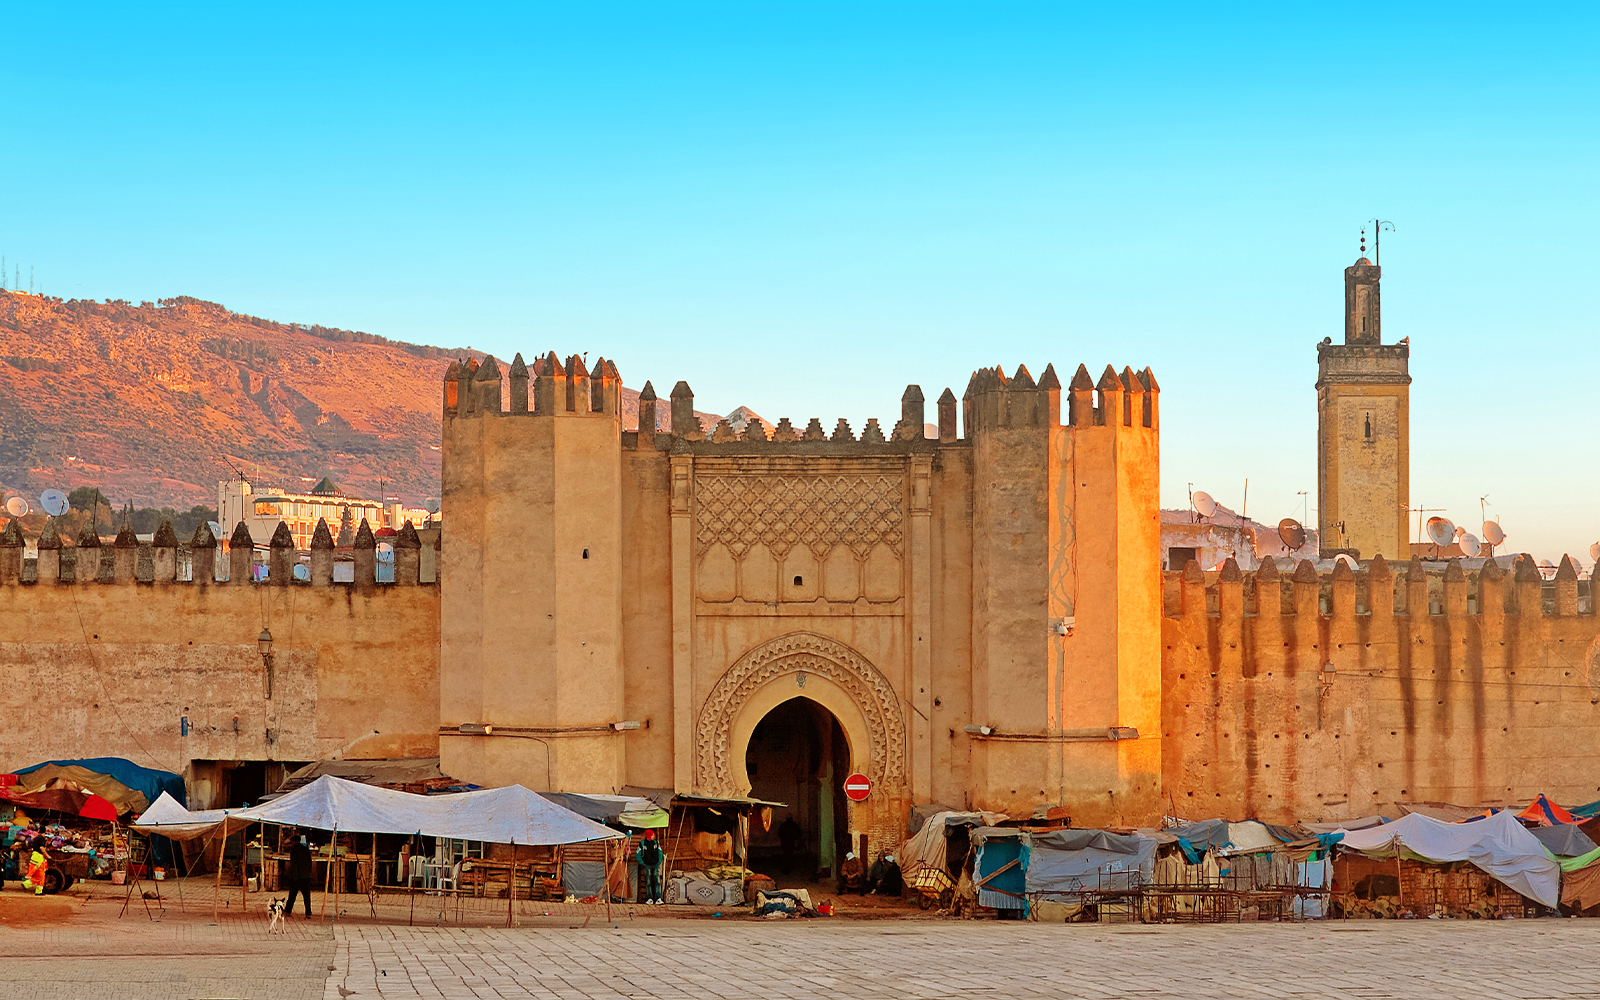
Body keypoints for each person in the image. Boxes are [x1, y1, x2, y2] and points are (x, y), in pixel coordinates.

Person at [285, 834, 315, 917]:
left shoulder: (294, 850)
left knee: (292, 895)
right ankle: (308, 912)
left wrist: (294, 877)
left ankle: (288, 911)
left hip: (297, 877)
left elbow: (294, 864)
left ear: (294, 842)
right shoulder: (306, 849)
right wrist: (309, 873)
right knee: (306, 896)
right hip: (305, 877)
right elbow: (309, 862)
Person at [636, 829, 664, 904]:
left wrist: (659, 862)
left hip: (655, 864)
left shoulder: (656, 843)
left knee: (657, 880)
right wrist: (642, 862)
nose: (653, 836)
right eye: (652, 835)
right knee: (648, 881)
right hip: (647, 865)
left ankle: (658, 897)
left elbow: (660, 852)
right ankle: (649, 898)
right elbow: (638, 854)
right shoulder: (642, 844)